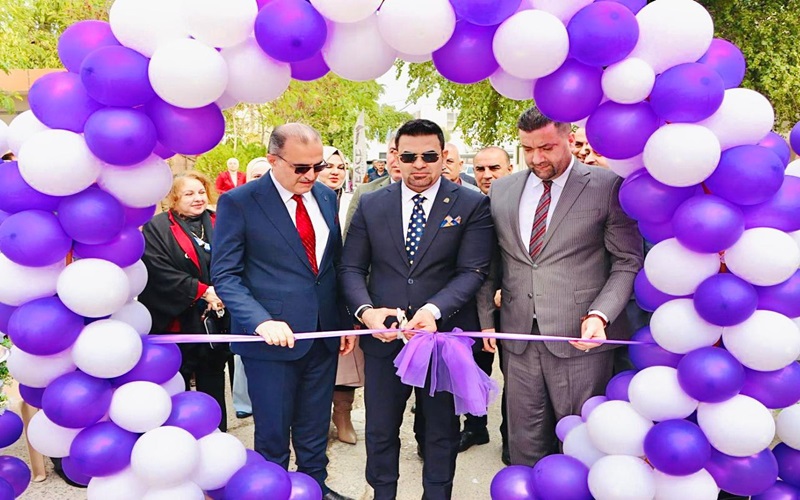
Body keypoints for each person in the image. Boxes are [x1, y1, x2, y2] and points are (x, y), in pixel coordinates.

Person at [478, 107, 643, 467]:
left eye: (547, 147)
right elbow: (490, 262)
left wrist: (601, 315)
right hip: (519, 340)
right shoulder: (502, 190)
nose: (537, 158)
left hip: (580, 340)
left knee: (581, 444)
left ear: (569, 137)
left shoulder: (606, 186)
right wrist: (487, 319)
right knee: (524, 444)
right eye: (528, 149)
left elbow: (627, 261)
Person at [340, 118, 495, 500]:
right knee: (380, 429)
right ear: (396, 157)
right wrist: (367, 312)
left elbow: (472, 270)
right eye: (409, 156)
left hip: (441, 339)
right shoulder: (372, 203)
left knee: (440, 431)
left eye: (429, 156)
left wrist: (433, 310)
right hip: (384, 339)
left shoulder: (472, 204)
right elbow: (351, 267)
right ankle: (383, 494)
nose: (419, 164)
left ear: (443, 156)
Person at [212, 123, 355, 500]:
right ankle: (270, 492)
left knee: (313, 429)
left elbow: (333, 267)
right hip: (270, 345)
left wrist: (342, 323)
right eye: (301, 168)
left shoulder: (325, 197)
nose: (311, 175)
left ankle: (316, 489)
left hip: (320, 335)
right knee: (273, 436)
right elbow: (225, 274)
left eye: (317, 166)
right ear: (273, 160)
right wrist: (260, 320)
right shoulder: (240, 202)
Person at [139, 171, 230, 431]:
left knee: (213, 377)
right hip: (176, 319)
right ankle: (177, 433)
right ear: (174, 198)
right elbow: (158, 270)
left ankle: (216, 431)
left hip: (215, 318)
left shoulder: (219, 221)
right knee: (175, 379)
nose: (198, 198)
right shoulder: (157, 227)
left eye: (201, 192)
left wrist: (222, 291)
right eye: (189, 193)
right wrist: (201, 291)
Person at [458, 145, 515, 461]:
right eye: (480, 169)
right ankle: (475, 426)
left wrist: (508, 287)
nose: (487, 175)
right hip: (472, 305)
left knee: (515, 375)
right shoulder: (467, 204)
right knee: (474, 371)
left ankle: (511, 436)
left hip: (515, 303)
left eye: (494, 168)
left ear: (508, 169)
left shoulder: (521, 203)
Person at [316, 145, 362, 445]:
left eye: (340, 166)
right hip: (314, 294)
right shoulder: (304, 201)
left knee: (347, 360)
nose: (334, 171)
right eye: (327, 165)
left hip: (347, 291)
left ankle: (342, 415)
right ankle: (314, 420)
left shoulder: (354, 200)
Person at [230, 158, 272, 420]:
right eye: (257, 176)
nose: (263, 181)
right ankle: (244, 403)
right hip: (248, 307)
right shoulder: (237, 206)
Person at [344, 138, 402, 235]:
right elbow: (349, 238)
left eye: (405, 153)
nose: (397, 158)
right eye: (393, 151)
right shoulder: (364, 192)